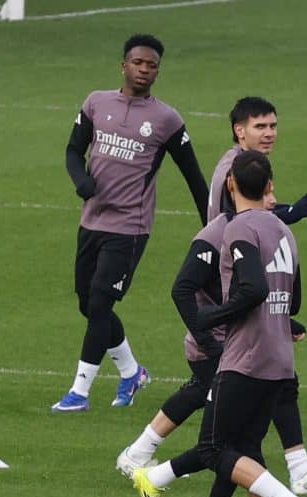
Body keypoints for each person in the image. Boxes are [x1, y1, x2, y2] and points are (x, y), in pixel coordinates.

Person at [115, 97, 307, 497]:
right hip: (244, 345)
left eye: (274, 125)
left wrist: (266, 314)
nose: (269, 132)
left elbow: (268, 289)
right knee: (226, 442)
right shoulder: (252, 216)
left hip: (254, 344)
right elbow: (252, 282)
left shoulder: (266, 223)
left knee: (228, 443)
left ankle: (179, 490)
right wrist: (213, 322)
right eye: (260, 125)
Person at [134, 151, 307, 497]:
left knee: (214, 449)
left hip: (245, 358)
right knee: (246, 448)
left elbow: (251, 288)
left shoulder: (238, 228)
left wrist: (211, 315)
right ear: (270, 186)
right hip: (280, 358)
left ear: (231, 185)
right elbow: (294, 299)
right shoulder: (286, 233)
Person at [53, 33, 209, 413]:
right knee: (89, 305)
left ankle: (79, 392)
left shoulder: (166, 119)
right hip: (92, 222)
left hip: (130, 227)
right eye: (138, 63)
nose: (144, 70)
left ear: (158, 71)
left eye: (151, 65)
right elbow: (74, 150)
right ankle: (131, 371)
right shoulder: (96, 102)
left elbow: (194, 177)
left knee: (102, 302)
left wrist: (214, 227)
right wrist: (82, 181)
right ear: (123, 64)